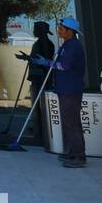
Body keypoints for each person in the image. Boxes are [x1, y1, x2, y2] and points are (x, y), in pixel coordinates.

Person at [28, 16, 87, 168]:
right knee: (68, 122)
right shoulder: (66, 45)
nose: (59, 31)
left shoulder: (73, 46)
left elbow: (65, 66)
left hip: (70, 90)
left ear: (70, 31)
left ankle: (79, 156)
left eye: (62, 29)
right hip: (65, 89)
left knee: (72, 122)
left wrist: (46, 62)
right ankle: (72, 152)